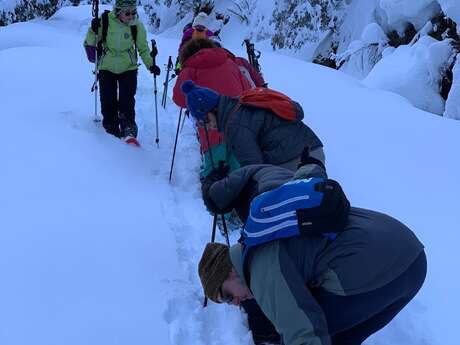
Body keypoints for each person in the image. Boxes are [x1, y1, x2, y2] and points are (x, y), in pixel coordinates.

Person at [198, 159, 427, 345]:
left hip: (382, 270)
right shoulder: (262, 230)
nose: (237, 303)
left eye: (227, 296)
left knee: (311, 328)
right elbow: (309, 175)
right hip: (410, 255)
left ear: (228, 272)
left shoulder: (261, 270)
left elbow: (304, 334)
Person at [181, 81, 325, 172]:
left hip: (293, 160)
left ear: (213, 110)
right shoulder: (238, 105)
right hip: (311, 150)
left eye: (204, 121)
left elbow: (255, 169)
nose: (207, 127)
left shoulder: (234, 125)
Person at [173, 38, 253, 177]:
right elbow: (247, 88)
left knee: (215, 172)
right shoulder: (229, 62)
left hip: (210, 126)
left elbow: (179, 99)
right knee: (240, 171)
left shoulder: (190, 69)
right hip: (238, 122)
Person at [84, 0, 161, 139]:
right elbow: (90, 42)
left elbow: (143, 49)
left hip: (128, 67)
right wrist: (93, 29)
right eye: (127, 13)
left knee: (127, 100)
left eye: (134, 12)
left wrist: (151, 65)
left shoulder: (136, 25)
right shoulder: (105, 20)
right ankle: (110, 127)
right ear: (118, 11)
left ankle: (128, 128)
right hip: (107, 66)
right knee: (108, 99)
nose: (131, 16)